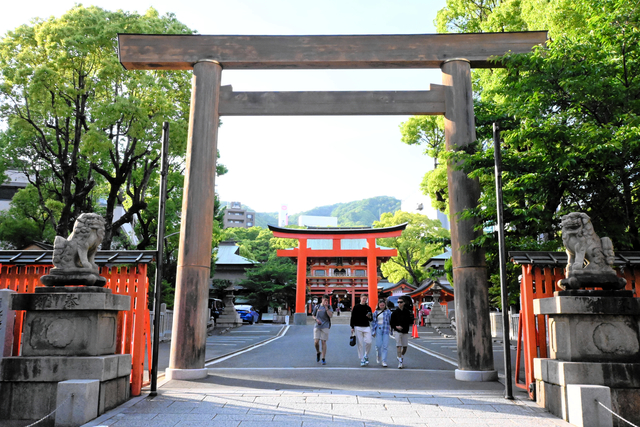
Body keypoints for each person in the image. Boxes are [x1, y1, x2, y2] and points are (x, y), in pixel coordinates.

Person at [390, 296, 414, 369]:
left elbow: (410, 321)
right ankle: (400, 361)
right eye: (398, 302)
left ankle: (401, 356)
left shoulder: (407, 312)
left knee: (405, 346)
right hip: (397, 331)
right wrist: (396, 327)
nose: (399, 303)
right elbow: (391, 322)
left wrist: (405, 326)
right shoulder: (395, 312)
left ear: (403, 303)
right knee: (398, 345)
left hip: (405, 330)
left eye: (400, 302)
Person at [350, 293, 373, 367]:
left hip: (366, 326)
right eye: (363, 298)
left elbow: (371, 319)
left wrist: (369, 317)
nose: (364, 300)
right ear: (360, 298)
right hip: (358, 326)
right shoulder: (356, 307)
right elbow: (352, 317)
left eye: (366, 299)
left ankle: (366, 355)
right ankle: (362, 359)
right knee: (360, 343)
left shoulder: (368, 308)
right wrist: (352, 327)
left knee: (369, 342)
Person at [312, 295, 333, 365]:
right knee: (316, 341)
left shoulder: (329, 307)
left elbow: (330, 315)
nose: (326, 302)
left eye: (327, 300)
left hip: (325, 326)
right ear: (322, 299)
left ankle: (323, 358)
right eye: (325, 300)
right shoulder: (317, 307)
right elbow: (313, 315)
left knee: (323, 342)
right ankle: (318, 352)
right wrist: (316, 319)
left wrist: (326, 308)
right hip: (317, 325)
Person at [372, 299, 391, 367]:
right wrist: (373, 331)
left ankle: (384, 360)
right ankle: (378, 355)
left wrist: (391, 329)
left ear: (385, 305)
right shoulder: (376, 312)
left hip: (386, 328)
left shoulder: (388, 312)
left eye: (383, 305)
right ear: (378, 305)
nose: (382, 306)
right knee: (378, 345)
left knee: (385, 346)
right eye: (380, 305)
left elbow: (391, 320)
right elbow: (373, 322)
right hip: (378, 328)